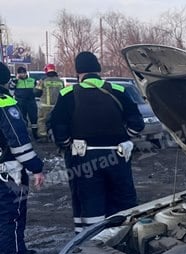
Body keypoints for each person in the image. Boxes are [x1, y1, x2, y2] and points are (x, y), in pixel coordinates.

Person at [49, 51, 144, 234]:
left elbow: (58, 127)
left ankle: (92, 241)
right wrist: (124, 138)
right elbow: (137, 123)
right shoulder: (118, 90)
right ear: (98, 70)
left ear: (79, 72)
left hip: (85, 159)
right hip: (117, 155)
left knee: (91, 202)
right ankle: (122, 238)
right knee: (123, 199)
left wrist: (68, 144)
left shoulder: (68, 93)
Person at [0, 62, 47, 254]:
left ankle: (14, 252)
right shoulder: (5, 103)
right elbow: (18, 143)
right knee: (13, 218)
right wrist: (36, 167)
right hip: (9, 173)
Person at [35, 64, 65, 141]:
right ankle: (56, 136)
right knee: (56, 121)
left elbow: (36, 93)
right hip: (57, 106)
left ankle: (43, 137)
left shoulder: (43, 80)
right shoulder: (60, 81)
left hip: (45, 106)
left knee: (42, 120)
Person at [12, 66, 38, 137]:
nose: (22, 74)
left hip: (31, 101)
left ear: (26, 73)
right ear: (18, 74)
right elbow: (11, 88)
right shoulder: (15, 81)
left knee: (34, 117)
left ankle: (35, 133)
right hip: (20, 102)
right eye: (20, 73)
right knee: (22, 118)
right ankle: (24, 133)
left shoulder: (32, 80)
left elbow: (37, 90)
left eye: (23, 73)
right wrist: (16, 80)